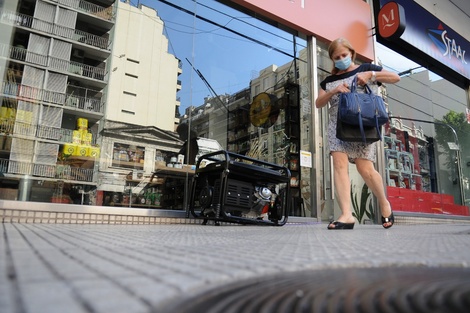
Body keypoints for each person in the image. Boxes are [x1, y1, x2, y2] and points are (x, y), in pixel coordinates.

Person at [315, 38, 400, 230]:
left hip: (362, 124)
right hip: (338, 126)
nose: (341, 59)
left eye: (344, 55)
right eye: (337, 57)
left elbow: (396, 78)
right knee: (339, 164)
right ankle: (346, 215)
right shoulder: (328, 81)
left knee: (366, 169)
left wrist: (370, 74)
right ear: (332, 59)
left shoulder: (366, 69)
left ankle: (384, 203)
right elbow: (318, 103)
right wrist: (334, 90)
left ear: (351, 54)